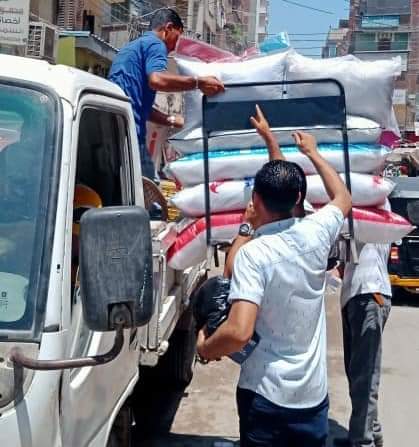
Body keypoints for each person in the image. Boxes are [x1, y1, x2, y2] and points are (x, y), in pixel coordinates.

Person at [197, 115, 352, 446]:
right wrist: (311, 152)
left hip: (266, 396)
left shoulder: (254, 254)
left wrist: (206, 348)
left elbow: (238, 332)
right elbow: (342, 197)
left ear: (254, 200)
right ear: (298, 199)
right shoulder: (317, 232)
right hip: (312, 398)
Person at [108, 8, 224, 179]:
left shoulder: (131, 48)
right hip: (129, 134)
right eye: (176, 38)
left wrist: (173, 120)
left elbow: (141, 108)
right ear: (168, 28)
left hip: (113, 131)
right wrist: (199, 83)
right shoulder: (156, 44)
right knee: (148, 189)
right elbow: (157, 80)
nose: (173, 48)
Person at [334, 241, 391, 447]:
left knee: (365, 376)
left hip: (370, 295)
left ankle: (362, 441)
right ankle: (370, 432)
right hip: (353, 297)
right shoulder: (348, 228)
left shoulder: (374, 224)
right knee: (356, 373)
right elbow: (343, 264)